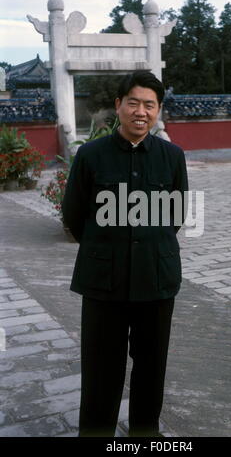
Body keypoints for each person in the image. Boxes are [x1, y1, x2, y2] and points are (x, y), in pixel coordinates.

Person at [62, 71, 188, 437]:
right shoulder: (90, 155)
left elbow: (176, 216)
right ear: (118, 105)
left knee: (151, 365)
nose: (141, 111)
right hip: (103, 281)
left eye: (150, 104)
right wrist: (108, 247)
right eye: (133, 102)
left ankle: (145, 434)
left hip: (156, 278)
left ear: (158, 110)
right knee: (102, 367)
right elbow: (74, 215)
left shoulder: (172, 156)